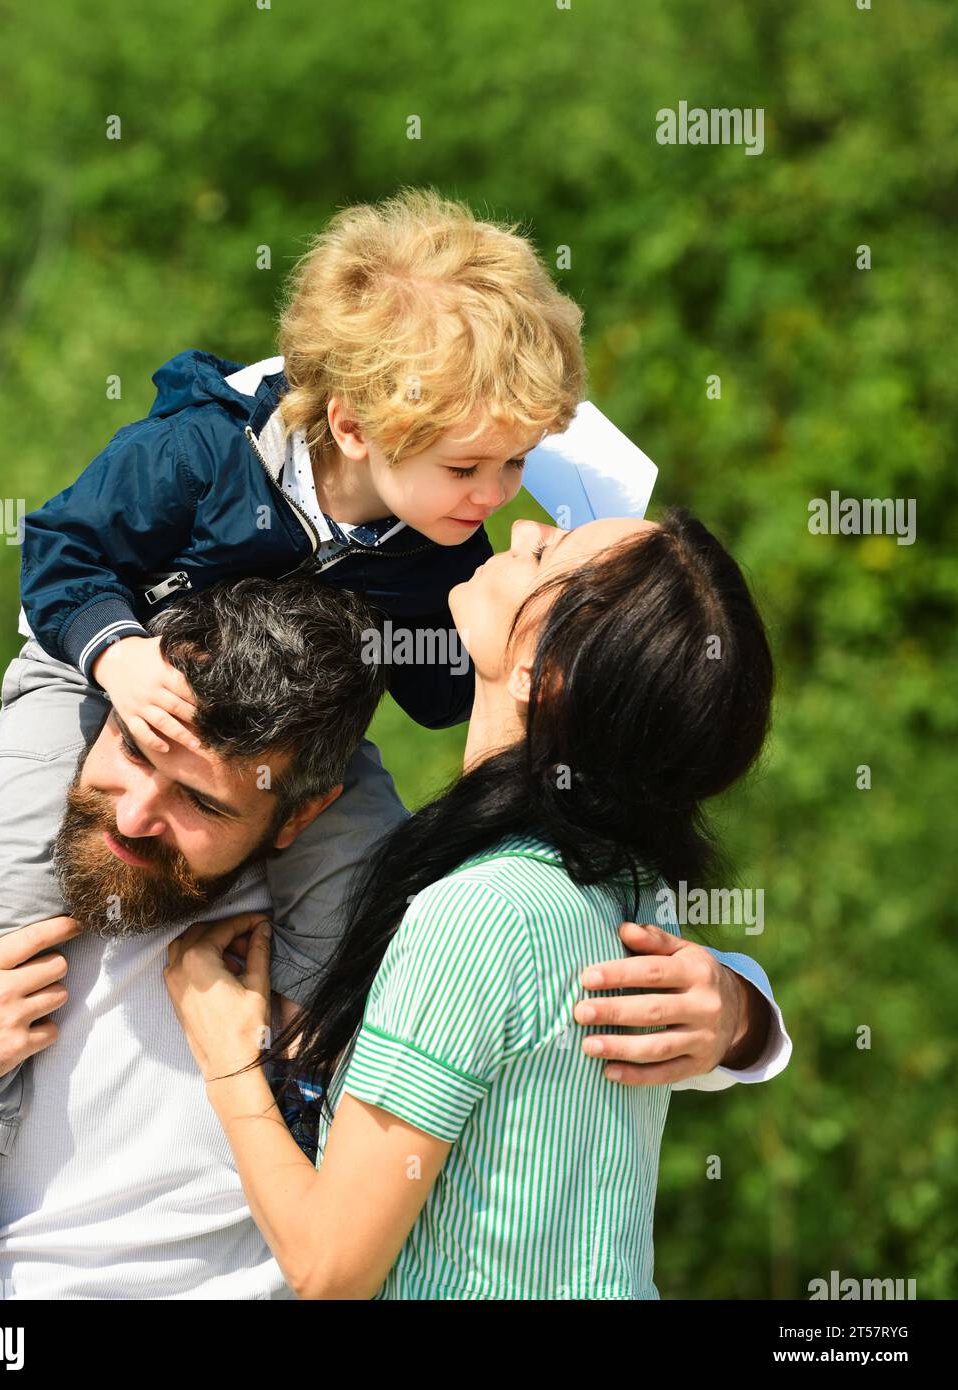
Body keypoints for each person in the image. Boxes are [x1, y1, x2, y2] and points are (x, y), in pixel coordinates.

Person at [0, 187, 591, 1286]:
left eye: (514, 465)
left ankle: (307, 1099)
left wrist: (521, 618)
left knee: (370, 880)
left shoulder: (442, 531)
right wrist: (118, 657)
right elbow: (58, 548)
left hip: (291, 738)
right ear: (354, 425)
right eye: (469, 468)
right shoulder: (201, 450)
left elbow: (454, 712)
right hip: (97, 667)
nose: (492, 493)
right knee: (10, 884)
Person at [0, 573, 786, 1301]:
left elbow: (541, 980)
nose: (139, 815)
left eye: (200, 801)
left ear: (297, 818)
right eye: (133, 750)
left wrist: (735, 1016)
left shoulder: (355, 911)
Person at [165, 509, 786, 1299]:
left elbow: (329, 1266)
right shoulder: (628, 892)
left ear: (538, 670)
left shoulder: (478, 916)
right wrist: (743, 1015)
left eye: (548, 552)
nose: (523, 530)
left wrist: (227, 1055)